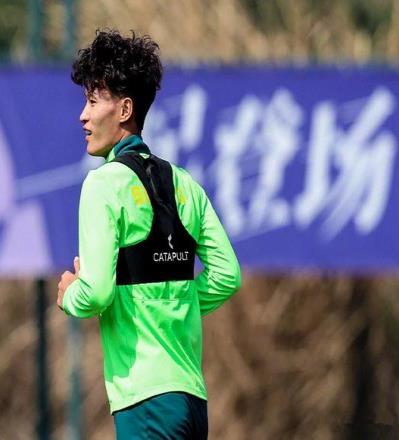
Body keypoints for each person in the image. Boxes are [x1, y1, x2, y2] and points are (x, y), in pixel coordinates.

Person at [56, 29, 241, 439]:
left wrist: (71, 294)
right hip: (192, 402)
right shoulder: (185, 183)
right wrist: (171, 305)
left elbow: (97, 293)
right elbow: (227, 275)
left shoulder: (104, 184)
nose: (83, 116)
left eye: (93, 101)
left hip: (145, 403)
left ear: (124, 109)